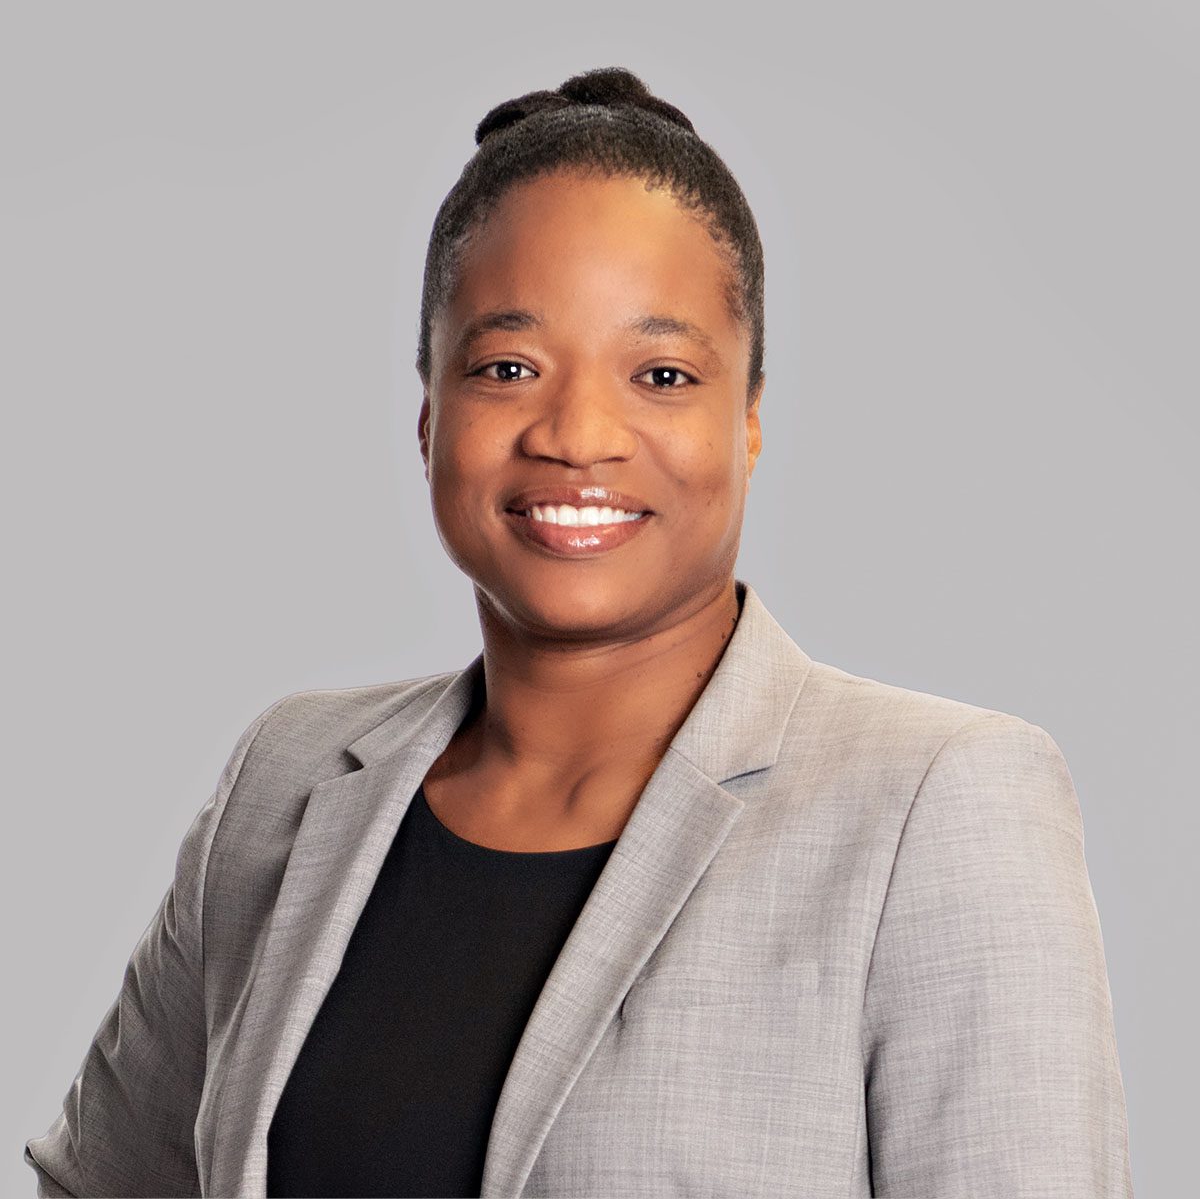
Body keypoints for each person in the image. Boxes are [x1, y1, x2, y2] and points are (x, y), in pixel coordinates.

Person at [24, 66, 1134, 1199]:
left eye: (661, 374)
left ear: (747, 419)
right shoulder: (288, 781)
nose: (579, 434)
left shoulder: (937, 807)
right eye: (508, 367)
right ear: (429, 415)